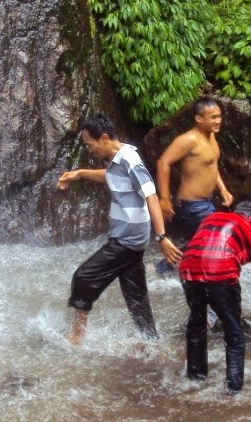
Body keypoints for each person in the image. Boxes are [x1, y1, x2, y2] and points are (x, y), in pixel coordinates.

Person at [58, 114, 181, 345]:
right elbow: (112, 177)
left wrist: (162, 237)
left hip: (127, 240)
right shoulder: (118, 160)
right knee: (136, 297)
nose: (89, 149)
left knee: (83, 277)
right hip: (131, 240)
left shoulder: (130, 160)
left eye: (89, 144)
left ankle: (77, 334)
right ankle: (151, 342)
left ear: (104, 138)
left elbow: (151, 195)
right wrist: (81, 174)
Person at [178, 200, 251, 394]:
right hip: (221, 270)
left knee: (196, 324)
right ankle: (233, 391)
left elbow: (199, 248)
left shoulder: (212, 218)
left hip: (188, 268)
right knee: (234, 332)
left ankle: (194, 379)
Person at [155, 97, 233, 245]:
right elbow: (163, 163)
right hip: (192, 206)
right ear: (199, 119)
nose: (218, 121)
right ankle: (163, 266)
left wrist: (223, 189)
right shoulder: (189, 139)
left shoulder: (211, 136)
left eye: (219, 116)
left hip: (205, 203)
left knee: (198, 246)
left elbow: (211, 165)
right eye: (213, 117)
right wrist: (164, 199)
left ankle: (162, 267)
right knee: (215, 243)